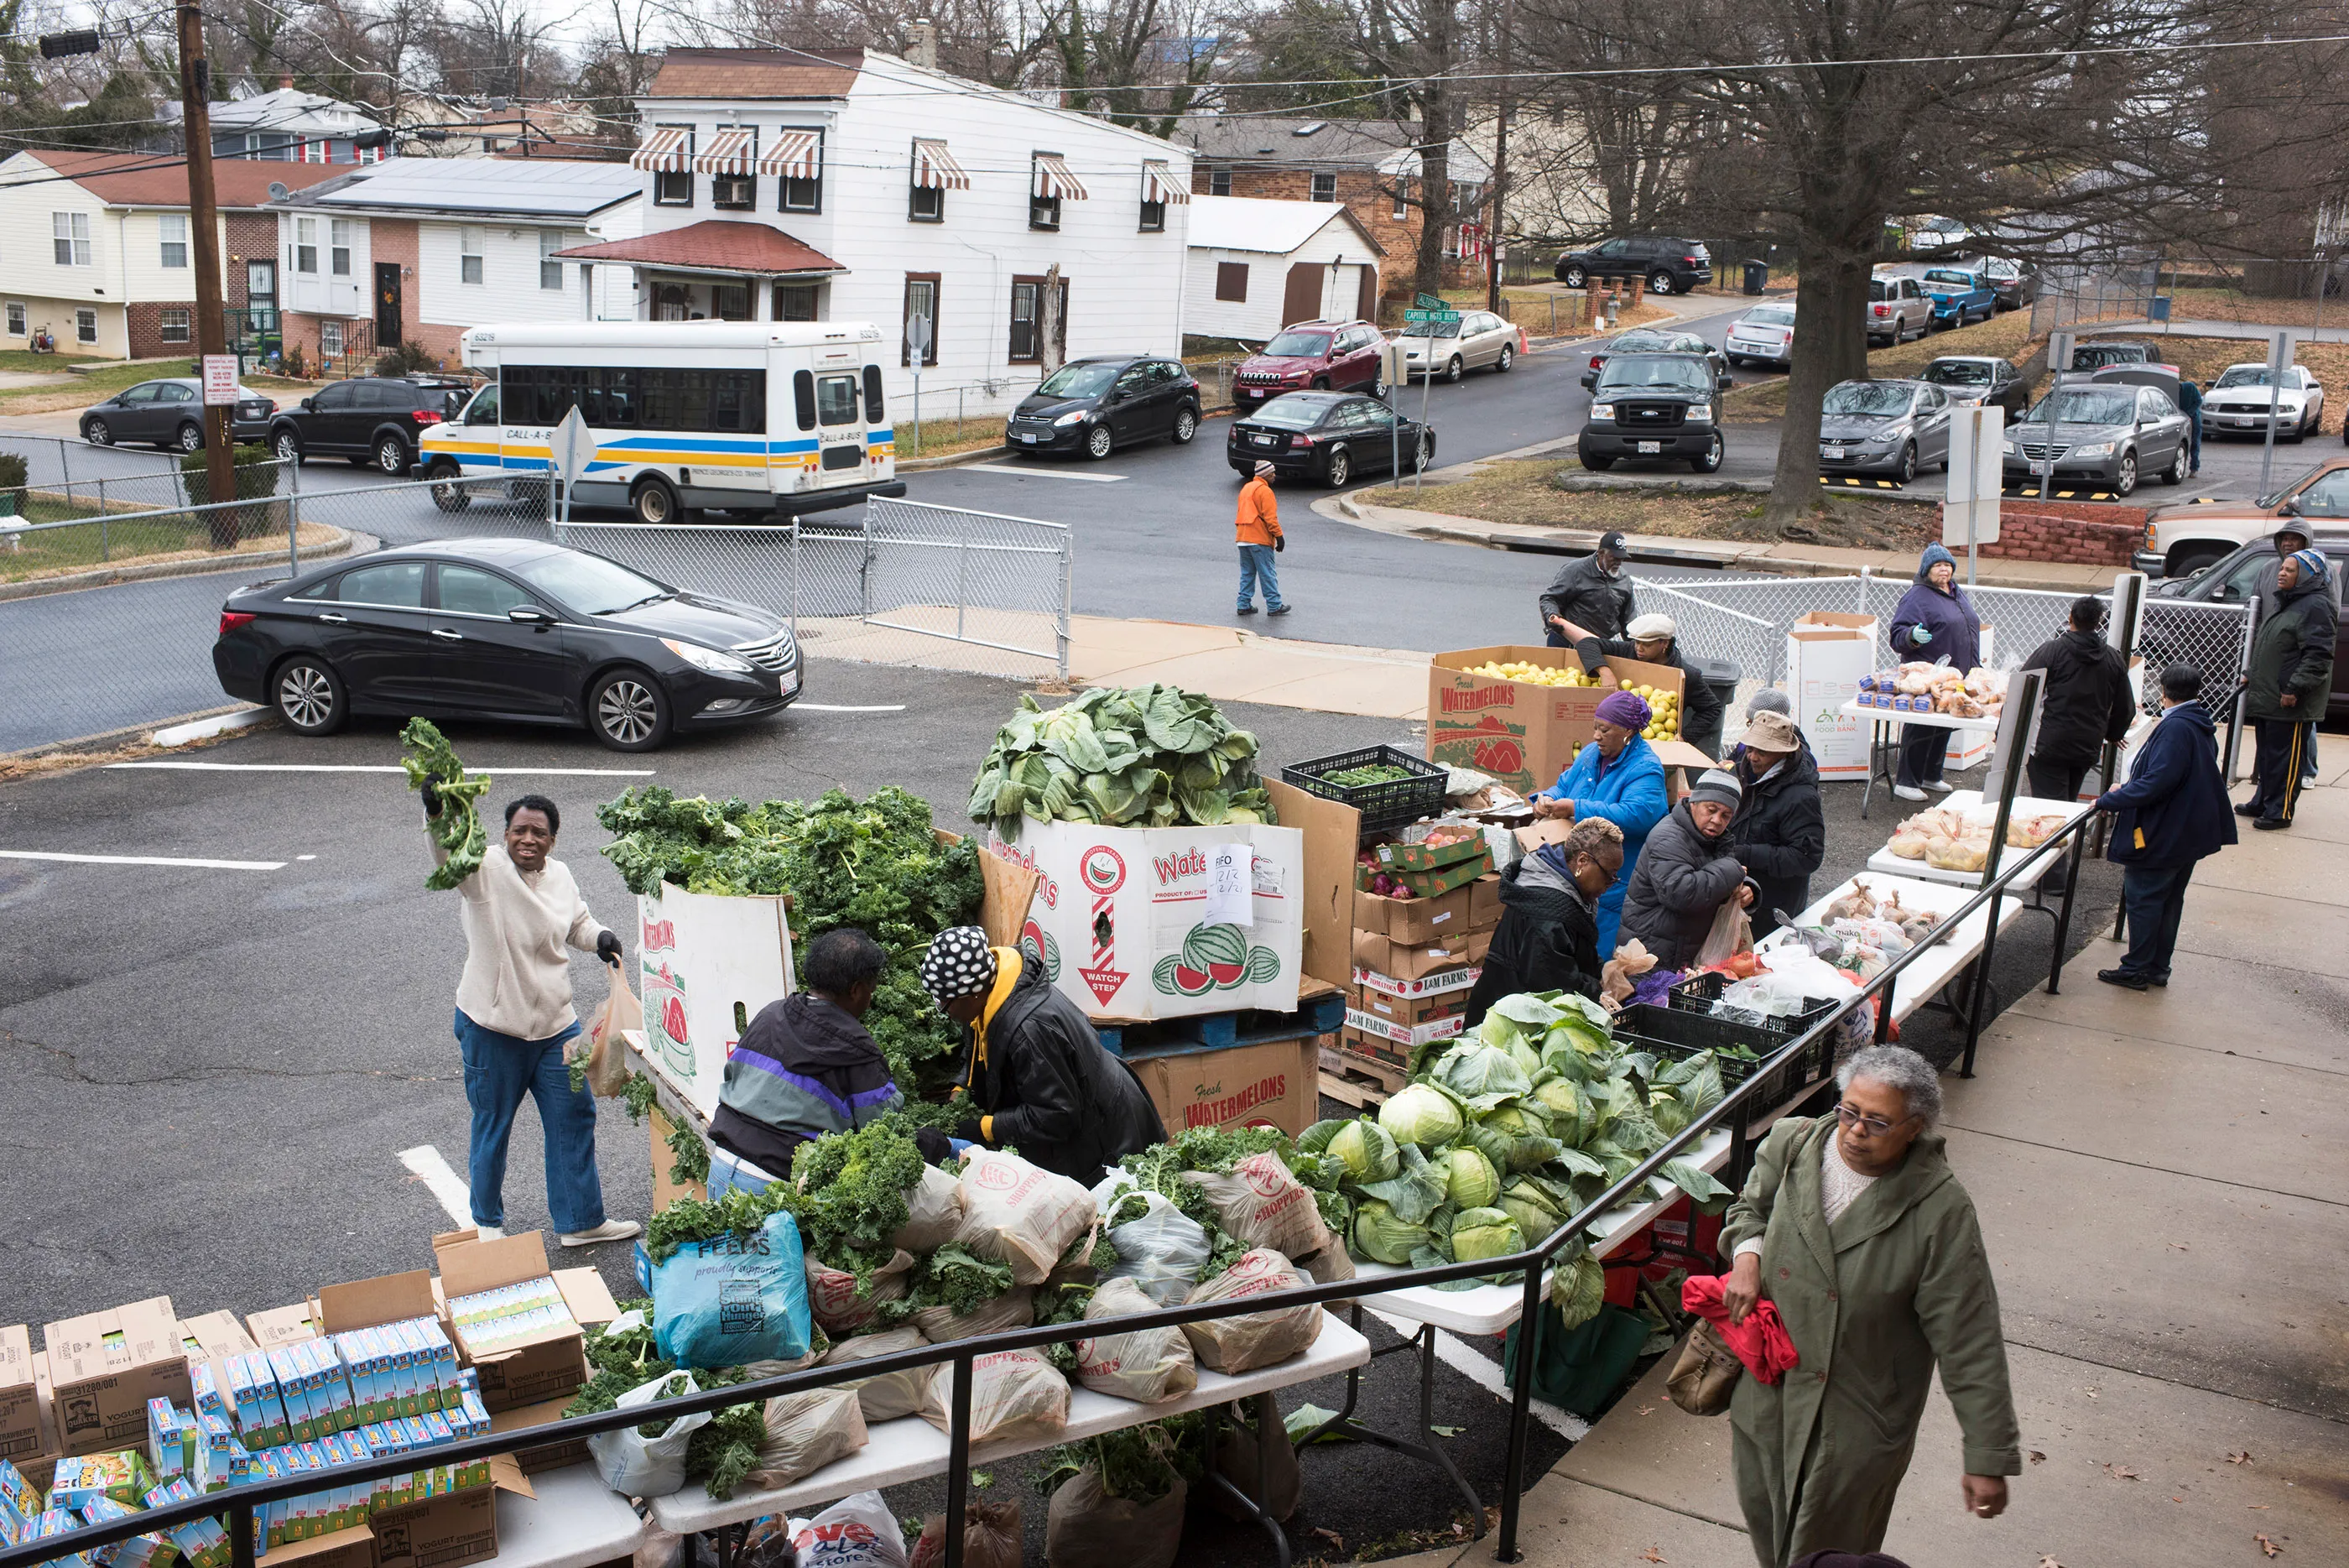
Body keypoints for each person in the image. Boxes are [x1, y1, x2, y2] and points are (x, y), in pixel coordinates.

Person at [1721, 1046, 2021, 1567]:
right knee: (1771, 1543)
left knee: (1828, 1556)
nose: (1855, 1131)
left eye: (1878, 1122)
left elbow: (1969, 1338)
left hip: (1856, 1421)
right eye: (1849, 1112)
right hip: (1769, 1400)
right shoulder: (1793, 1145)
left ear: (1915, 1128)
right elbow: (1749, 1209)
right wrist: (1747, 1255)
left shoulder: (1941, 1211)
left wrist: (1987, 1454)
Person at [423, 789, 638, 1248]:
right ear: (505, 835)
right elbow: (447, 856)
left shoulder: (559, 875)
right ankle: (488, 1227)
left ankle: (581, 1221)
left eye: (539, 832)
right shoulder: (485, 871)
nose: (528, 839)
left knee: (574, 1117)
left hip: (556, 1027)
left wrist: (598, 936)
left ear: (552, 841)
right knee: (493, 1124)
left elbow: (577, 922)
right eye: (519, 830)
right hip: (493, 1026)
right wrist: (438, 813)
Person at [916, 926, 1165, 1184]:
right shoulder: (994, 987)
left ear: (972, 992)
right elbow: (980, 1043)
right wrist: (962, 1084)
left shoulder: (1030, 1033)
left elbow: (1057, 1116)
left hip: (1105, 1136)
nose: (944, 1010)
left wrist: (986, 1128)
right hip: (1081, 1113)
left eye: (944, 1002)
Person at [708, 929, 902, 1183]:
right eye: (871, 988)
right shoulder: (859, 1051)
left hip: (721, 1165)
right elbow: (881, 1131)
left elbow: (732, 1077)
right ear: (856, 990)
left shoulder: (771, 1013)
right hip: (775, 1188)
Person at [2092, 664, 2237, 989]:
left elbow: (2158, 781)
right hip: (2187, 831)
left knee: (2144, 897)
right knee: (2169, 899)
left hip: (2165, 832)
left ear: (2164, 692)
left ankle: (2136, 969)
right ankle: (2157, 966)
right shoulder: (2199, 724)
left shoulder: (2176, 729)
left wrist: (2110, 800)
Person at [1531, 689, 1670, 956]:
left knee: (1599, 954)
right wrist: (1547, 798)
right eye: (1595, 728)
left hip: (1615, 881)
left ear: (1628, 732)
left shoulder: (1646, 768)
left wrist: (1577, 808)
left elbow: (1639, 814)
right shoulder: (1591, 754)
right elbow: (1565, 786)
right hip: (1577, 871)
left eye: (1604, 730)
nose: (1596, 736)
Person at [1465, 818, 1625, 1025]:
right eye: (1609, 875)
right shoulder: (1547, 915)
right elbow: (1554, 985)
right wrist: (1600, 989)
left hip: (1518, 1015)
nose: (1610, 884)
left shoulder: (1565, 891)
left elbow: (1569, 954)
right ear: (1582, 861)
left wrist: (1605, 971)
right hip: (1509, 1026)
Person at [1618, 768, 1758, 969]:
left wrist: (1747, 887)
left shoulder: (1715, 838)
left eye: (1726, 815)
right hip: (1651, 955)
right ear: (1694, 803)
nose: (1717, 820)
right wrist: (1733, 870)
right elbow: (1681, 893)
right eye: (1711, 810)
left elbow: (1721, 871)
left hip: (1681, 950)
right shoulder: (1668, 837)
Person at [1547, 609, 1730, 762]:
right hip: (1614, 741)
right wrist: (1604, 671)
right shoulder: (1627, 652)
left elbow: (1712, 708)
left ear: (1664, 643)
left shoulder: (1686, 674)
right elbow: (1587, 643)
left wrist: (1685, 738)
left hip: (1653, 748)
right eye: (1637, 642)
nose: (1639, 649)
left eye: (1646, 645)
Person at [2239, 547, 2336, 830]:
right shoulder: (2290, 602)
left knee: (2286, 759)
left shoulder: (2316, 606)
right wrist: (2251, 673)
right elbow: (2277, 646)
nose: (2281, 573)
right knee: (2268, 755)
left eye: (2290, 570)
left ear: (2305, 576)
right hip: (2270, 696)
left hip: (2290, 700)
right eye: (2283, 568)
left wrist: (2295, 688)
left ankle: (2279, 810)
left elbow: (2318, 655)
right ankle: (2263, 801)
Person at [1888, 543, 1983, 801]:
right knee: (1920, 727)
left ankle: (1931, 775)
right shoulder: (1917, 596)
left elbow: (1968, 626)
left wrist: (1974, 667)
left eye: (1948, 565)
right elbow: (1898, 635)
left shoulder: (1955, 592)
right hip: (1928, 677)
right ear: (1926, 570)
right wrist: (1912, 636)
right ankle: (1906, 781)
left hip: (1955, 676)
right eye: (1938, 565)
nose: (1944, 570)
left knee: (1944, 726)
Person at [2020, 595, 2136, 802]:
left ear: (2070, 617)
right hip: (2087, 744)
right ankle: (2069, 834)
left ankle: (2057, 836)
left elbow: (2021, 690)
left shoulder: (2052, 651)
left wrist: (2004, 729)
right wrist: (2113, 733)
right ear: (2099, 621)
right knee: (2068, 803)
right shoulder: (2112, 658)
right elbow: (2125, 706)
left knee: (2050, 807)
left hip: (2049, 744)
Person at [1727, 711, 1825, 937]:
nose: (1752, 757)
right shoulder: (1743, 771)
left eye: (1762, 751)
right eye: (1750, 748)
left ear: (1783, 753)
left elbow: (1806, 857)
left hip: (1772, 907)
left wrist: (1745, 853)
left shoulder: (1801, 796)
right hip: (1739, 891)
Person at [2255, 523, 2320, 784]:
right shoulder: (2269, 570)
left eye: (2295, 539)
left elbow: (2324, 622)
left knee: (2300, 717)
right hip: (2271, 652)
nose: (2288, 543)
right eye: (2285, 538)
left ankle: (2306, 769)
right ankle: (2266, 774)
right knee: (2268, 716)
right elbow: (2257, 610)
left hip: (2297, 653)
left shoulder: (2316, 577)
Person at [1538, 529, 1635, 658]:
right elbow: (1549, 599)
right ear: (1601, 553)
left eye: (1622, 559)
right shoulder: (1575, 571)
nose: (1618, 563)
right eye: (1614, 558)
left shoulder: (1624, 579)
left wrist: (1635, 647)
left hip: (1600, 645)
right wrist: (1552, 616)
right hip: (1567, 641)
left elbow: (1628, 619)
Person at [1233, 459, 1289, 617]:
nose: (1275, 476)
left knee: (1247, 573)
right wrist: (1279, 537)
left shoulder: (1246, 488)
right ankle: (1274, 605)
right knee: (1267, 573)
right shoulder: (1265, 491)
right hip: (1259, 538)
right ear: (1265, 475)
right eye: (1272, 473)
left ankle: (1243, 605)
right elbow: (1270, 518)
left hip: (1243, 537)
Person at [2177, 377, 2202, 474]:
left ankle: (2194, 467)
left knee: (2195, 442)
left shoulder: (2190, 387)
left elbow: (2199, 401)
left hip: (2193, 417)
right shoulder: (2171, 393)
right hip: (2180, 418)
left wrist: (2189, 414)